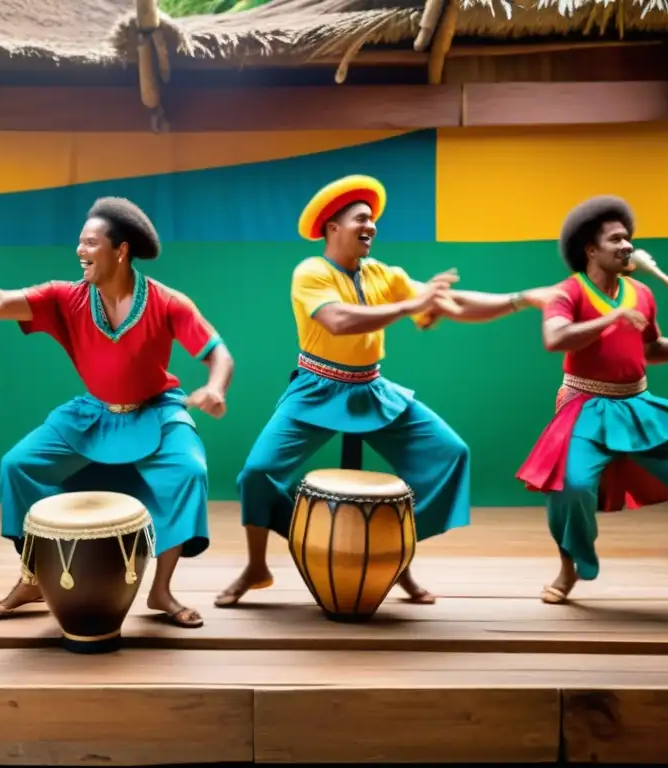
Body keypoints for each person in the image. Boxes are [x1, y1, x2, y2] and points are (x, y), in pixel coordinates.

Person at [216, 174, 561, 608]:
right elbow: (339, 320)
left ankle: (391, 557)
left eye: (374, 220)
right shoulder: (310, 272)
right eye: (361, 218)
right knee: (255, 473)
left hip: (372, 389)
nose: (372, 226)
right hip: (316, 389)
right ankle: (256, 565)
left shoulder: (385, 275)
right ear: (332, 228)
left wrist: (521, 298)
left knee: (451, 453)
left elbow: (452, 304)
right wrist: (409, 306)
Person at [0, 197, 234, 629]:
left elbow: (219, 354)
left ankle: (162, 591)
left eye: (90, 242)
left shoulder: (167, 302)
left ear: (120, 250)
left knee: (189, 471)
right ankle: (33, 576)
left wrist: (215, 389)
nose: (80, 251)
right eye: (79, 241)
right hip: (92, 414)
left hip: (157, 412)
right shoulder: (64, 297)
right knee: (17, 465)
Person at [517, 195, 668, 603]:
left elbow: (651, 351)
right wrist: (612, 318)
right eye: (616, 239)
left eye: (629, 239)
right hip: (584, 406)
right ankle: (568, 568)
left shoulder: (641, 291)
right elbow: (554, 339)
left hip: (638, 405)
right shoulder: (566, 293)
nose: (627, 246)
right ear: (590, 249)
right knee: (571, 486)